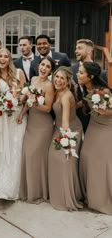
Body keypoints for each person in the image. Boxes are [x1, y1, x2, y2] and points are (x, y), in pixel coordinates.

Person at [0, 48, 27, 200]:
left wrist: (17, 101)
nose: (3, 59)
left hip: (18, 117)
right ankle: (2, 186)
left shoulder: (19, 73)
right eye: (0, 56)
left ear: (10, 59)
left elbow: (26, 94)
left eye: (6, 56)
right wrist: (2, 104)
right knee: (2, 148)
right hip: (2, 118)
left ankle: (17, 184)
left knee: (17, 146)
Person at [78, 62, 112, 215]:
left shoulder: (103, 91)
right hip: (93, 126)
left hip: (106, 127)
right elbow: (84, 102)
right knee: (86, 157)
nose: (78, 74)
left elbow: (110, 111)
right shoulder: (87, 88)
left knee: (101, 162)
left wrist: (100, 110)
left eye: (81, 72)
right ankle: (91, 196)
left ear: (90, 76)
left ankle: (102, 199)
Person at [19, 57, 55, 203]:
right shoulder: (33, 79)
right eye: (42, 64)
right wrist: (21, 114)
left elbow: (47, 108)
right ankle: (28, 190)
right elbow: (26, 101)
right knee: (27, 154)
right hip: (31, 123)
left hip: (43, 126)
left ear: (50, 70)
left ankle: (39, 192)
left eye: (47, 66)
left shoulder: (49, 86)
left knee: (37, 157)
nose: (44, 68)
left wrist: (34, 101)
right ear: (38, 65)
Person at [48, 66, 83, 211]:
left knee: (66, 160)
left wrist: (65, 142)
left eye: (62, 78)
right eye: (56, 76)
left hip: (70, 131)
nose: (58, 80)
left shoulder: (66, 96)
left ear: (68, 81)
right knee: (53, 157)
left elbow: (66, 121)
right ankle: (58, 193)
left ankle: (68, 197)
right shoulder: (56, 91)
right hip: (59, 128)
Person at [72, 39, 107, 133]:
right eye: (76, 48)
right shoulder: (71, 70)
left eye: (79, 48)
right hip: (77, 118)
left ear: (89, 51)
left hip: (98, 120)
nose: (76, 51)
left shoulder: (102, 73)